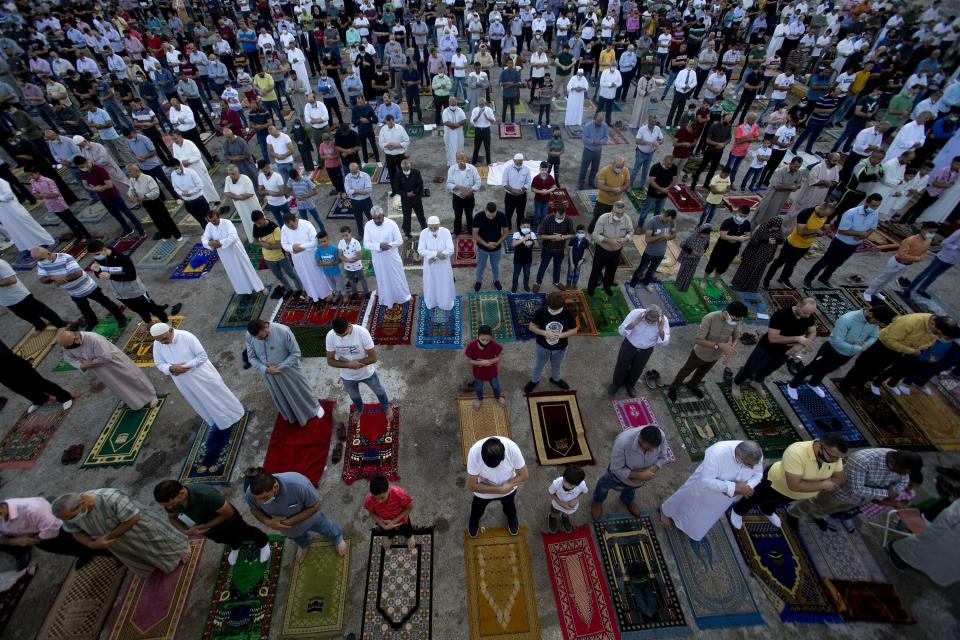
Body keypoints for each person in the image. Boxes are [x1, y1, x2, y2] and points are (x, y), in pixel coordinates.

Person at [51, 489, 189, 578]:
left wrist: (107, 538)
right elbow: (75, 532)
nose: (70, 521)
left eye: (72, 517)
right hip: (117, 544)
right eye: (67, 519)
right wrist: (91, 544)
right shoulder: (68, 514)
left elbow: (134, 518)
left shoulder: (111, 498)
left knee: (161, 544)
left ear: (82, 504)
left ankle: (180, 552)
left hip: (139, 530)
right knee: (138, 555)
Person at [790, 448, 921, 533]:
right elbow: (857, 489)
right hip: (840, 492)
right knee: (816, 502)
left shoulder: (902, 465)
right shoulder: (862, 459)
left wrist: (896, 491)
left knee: (834, 509)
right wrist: (887, 493)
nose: (903, 475)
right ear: (893, 461)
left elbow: (903, 481)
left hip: (860, 500)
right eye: (901, 471)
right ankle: (793, 513)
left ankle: (817, 515)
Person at [729, 436, 848, 530]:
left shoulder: (834, 457)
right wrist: (824, 484)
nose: (836, 461)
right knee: (753, 498)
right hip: (774, 484)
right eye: (833, 457)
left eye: (839, 459)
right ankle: (738, 511)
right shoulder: (796, 452)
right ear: (820, 446)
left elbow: (838, 478)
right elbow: (794, 485)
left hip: (795, 495)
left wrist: (815, 484)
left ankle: (767, 511)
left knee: (776, 503)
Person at [785, 306, 897, 400]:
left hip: (847, 355)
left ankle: (813, 383)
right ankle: (792, 385)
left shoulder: (873, 323)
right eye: (877, 322)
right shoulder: (847, 319)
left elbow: (875, 335)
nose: (877, 325)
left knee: (827, 369)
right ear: (870, 313)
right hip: (831, 350)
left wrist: (866, 345)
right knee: (811, 368)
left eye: (879, 324)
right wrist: (858, 348)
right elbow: (837, 341)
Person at [660, 441, 764, 540]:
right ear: (739, 456)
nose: (752, 468)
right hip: (703, 489)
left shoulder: (755, 456)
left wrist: (747, 487)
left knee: (706, 515)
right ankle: (667, 512)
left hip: (725, 498)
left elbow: (758, 475)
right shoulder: (717, 452)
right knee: (687, 500)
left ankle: (690, 529)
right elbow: (707, 480)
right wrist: (735, 488)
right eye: (749, 465)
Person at [150, 322, 245, 430]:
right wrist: (170, 368)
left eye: (164, 338)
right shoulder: (158, 343)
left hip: (201, 375)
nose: (163, 342)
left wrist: (185, 367)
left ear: (171, 330)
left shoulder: (186, 337)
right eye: (159, 340)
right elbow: (159, 363)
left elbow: (202, 356)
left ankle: (235, 414)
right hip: (183, 381)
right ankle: (218, 421)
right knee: (200, 401)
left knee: (218, 395)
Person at [154, 480, 271, 566]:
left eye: (171, 504)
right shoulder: (170, 503)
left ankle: (263, 542)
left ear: (182, 493)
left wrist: (203, 526)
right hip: (207, 529)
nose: (169, 507)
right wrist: (186, 531)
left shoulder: (207, 494)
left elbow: (228, 513)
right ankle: (236, 546)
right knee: (223, 539)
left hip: (228, 522)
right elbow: (172, 518)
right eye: (166, 506)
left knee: (246, 531)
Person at [840, 314, 959, 396]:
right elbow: (890, 340)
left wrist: (920, 346)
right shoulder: (910, 322)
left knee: (878, 369)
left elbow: (931, 341)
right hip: (882, 345)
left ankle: (860, 383)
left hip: (900, 350)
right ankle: (845, 385)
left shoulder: (936, 329)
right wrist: (911, 350)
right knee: (862, 366)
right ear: (933, 323)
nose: (937, 335)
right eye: (937, 332)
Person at [244, 468, 347, 560]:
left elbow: (315, 506)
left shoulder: (299, 485)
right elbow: (254, 510)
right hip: (286, 528)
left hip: (310, 518)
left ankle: (337, 538)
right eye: (257, 499)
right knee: (296, 537)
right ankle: (304, 544)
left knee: (325, 527)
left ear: (275, 487)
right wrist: (268, 522)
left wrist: (289, 522)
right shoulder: (251, 494)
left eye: (264, 498)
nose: (261, 502)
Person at [732, 298, 819, 399]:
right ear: (798, 306)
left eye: (809, 313)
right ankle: (736, 383)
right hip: (767, 348)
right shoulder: (781, 315)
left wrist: (800, 345)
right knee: (750, 368)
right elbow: (773, 338)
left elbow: (813, 332)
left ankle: (756, 382)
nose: (807, 316)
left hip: (785, 352)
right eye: (805, 313)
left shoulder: (808, 316)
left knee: (768, 370)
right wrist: (797, 338)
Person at [56, 326, 157, 410]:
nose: (69, 349)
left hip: (113, 363)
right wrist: (81, 365)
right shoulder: (67, 345)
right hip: (99, 369)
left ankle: (150, 396)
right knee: (116, 384)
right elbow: (70, 359)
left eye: (70, 346)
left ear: (76, 337)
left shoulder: (93, 338)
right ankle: (131, 400)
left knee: (132, 377)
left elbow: (106, 357)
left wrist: (89, 364)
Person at [246, 319, 325, 425]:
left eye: (260, 337)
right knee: (280, 394)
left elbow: (296, 353)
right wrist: (265, 369)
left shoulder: (283, 331)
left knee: (301, 390)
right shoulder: (250, 335)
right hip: (269, 374)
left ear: (265, 327)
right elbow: (251, 357)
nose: (258, 339)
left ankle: (314, 408)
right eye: (256, 338)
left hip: (289, 370)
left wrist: (280, 367)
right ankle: (291, 414)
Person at [0, 497, 111, 571]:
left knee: (83, 542)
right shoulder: (3, 517)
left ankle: (115, 555)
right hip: (37, 536)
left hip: (58, 531)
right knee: (67, 550)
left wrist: (33, 539)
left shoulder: (32, 509)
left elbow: (51, 528)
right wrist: (12, 541)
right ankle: (84, 554)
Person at [33, 246, 127, 331]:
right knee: (85, 310)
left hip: (88, 287)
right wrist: (53, 278)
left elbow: (78, 273)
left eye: (41, 259)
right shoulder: (41, 263)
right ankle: (92, 322)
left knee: (106, 303)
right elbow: (42, 279)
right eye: (38, 260)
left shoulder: (65, 257)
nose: (40, 262)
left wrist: (61, 280)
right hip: (74, 292)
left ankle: (120, 317)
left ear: (49, 254)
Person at [667, 302, 747, 401]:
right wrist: (720, 345)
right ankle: (674, 387)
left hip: (715, 356)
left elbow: (737, 336)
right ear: (727, 313)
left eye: (738, 320)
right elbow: (699, 340)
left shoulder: (736, 321)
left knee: (702, 373)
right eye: (734, 320)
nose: (735, 322)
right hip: (700, 353)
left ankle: (692, 385)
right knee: (685, 371)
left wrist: (731, 349)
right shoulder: (710, 318)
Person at [591, 425, 670, 519]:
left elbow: (663, 457)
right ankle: (597, 500)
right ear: (640, 439)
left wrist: (652, 469)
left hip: (638, 481)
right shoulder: (622, 443)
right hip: (617, 477)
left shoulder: (661, 437)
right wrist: (640, 475)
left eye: (654, 449)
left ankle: (627, 500)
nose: (652, 451)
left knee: (631, 489)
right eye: (648, 449)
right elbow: (615, 469)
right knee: (604, 485)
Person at [803, 195, 881, 288]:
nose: (874, 208)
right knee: (824, 261)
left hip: (853, 245)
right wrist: (859, 234)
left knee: (837, 263)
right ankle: (808, 278)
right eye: (873, 205)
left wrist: (865, 235)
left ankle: (824, 278)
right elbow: (842, 230)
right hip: (840, 243)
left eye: (877, 206)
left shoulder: (875, 213)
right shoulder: (851, 213)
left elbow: (873, 228)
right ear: (866, 203)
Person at [325, 317, 392, 415]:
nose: (342, 337)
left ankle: (386, 407)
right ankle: (360, 409)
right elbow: (330, 361)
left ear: (349, 325)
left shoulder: (362, 332)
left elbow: (373, 358)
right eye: (339, 335)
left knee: (379, 390)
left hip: (367, 373)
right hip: (347, 376)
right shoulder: (330, 336)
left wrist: (355, 364)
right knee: (354, 396)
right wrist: (349, 364)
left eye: (344, 334)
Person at [888, 497, 960, 586]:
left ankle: (901, 559)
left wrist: (928, 534)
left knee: (913, 552)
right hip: (945, 569)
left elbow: (948, 517)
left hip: (935, 541)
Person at [466, 436, 528, 537]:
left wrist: (507, 486)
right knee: (477, 510)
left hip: (508, 490)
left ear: (503, 456)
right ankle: (474, 520)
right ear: (481, 455)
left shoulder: (512, 448)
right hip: (483, 493)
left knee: (510, 508)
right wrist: (500, 490)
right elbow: (471, 486)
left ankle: (511, 518)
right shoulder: (474, 453)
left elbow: (524, 475)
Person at [864, 222, 939, 302]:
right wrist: (917, 258)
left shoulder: (928, 240)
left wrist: (920, 257)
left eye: (934, 232)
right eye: (930, 232)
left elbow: (925, 251)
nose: (932, 234)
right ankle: (868, 292)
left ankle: (877, 291)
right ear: (923, 230)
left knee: (890, 279)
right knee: (882, 278)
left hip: (907, 264)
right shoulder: (910, 240)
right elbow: (901, 255)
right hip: (897, 263)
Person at [763, 204, 832, 289]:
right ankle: (767, 279)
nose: (825, 217)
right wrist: (816, 230)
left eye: (827, 215)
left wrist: (818, 232)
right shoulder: (806, 213)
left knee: (792, 264)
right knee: (779, 262)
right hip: (792, 243)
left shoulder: (826, 215)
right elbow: (801, 232)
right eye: (824, 214)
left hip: (805, 246)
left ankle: (784, 279)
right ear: (821, 208)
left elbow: (826, 229)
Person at [608, 305, 671, 397]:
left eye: (654, 321)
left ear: (658, 318)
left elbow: (665, 343)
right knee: (621, 365)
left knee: (637, 369)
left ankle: (630, 385)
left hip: (646, 350)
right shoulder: (636, 313)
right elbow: (621, 332)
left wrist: (661, 330)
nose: (650, 322)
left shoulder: (663, 321)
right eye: (648, 319)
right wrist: (634, 323)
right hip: (629, 345)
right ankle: (616, 384)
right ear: (645, 314)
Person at [202, 209, 267, 296]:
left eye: (215, 220)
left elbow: (233, 236)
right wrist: (209, 243)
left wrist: (220, 243)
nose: (214, 222)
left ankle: (260, 287)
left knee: (246, 268)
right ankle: (243, 290)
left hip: (235, 251)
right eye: (211, 221)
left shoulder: (227, 223)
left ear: (218, 217)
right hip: (225, 254)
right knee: (233, 271)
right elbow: (204, 238)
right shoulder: (209, 226)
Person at [0, 340, 77, 413]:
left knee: (37, 381)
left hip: (9, 362)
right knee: (18, 388)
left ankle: (65, 397)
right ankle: (39, 399)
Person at [524, 292, 577, 393]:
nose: (552, 311)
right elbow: (531, 327)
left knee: (557, 365)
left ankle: (555, 379)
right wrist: (544, 333)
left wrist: (560, 335)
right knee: (538, 365)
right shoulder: (542, 311)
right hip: (542, 347)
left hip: (560, 349)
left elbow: (574, 330)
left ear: (562, 305)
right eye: (550, 308)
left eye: (555, 310)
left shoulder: (567, 313)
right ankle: (534, 380)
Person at [364, 207, 412, 309]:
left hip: (391, 256)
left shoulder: (391, 224)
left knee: (397, 276)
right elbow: (366, 244)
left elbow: (399, 241)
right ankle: (387, 300)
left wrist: (388, 245)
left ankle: (404, 297)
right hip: (378, 258)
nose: (377, 220)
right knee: (383, 279)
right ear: (372, 218)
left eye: (379, 218)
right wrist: (379, 246)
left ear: (383, 215)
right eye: (375, 218)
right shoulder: (368, 225)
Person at [25, 167, 91, 240]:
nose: (31, 177)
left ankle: (87, 235)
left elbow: (56, 194)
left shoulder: (48, 181)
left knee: (73, 220)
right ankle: (79, 236)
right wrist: (40, 195)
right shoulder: (33, 181)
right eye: (29, 175)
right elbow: (35, 193)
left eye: (31, 174)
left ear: (37, 172)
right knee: (67, 222)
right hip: (50, 205)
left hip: (59, 203)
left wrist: (45, 195)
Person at [0, 258, 66, 331]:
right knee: (26, 316)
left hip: (18, 296)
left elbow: (12, 280)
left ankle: (61, 325)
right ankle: (40, 326)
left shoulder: (1, 264)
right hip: (5, 300)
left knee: (42, 311)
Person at [281, 213, 332, 303]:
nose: (291, 228)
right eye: (289, 227)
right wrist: (292, 248)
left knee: (318, 275)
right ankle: (312, 294)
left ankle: (327, 292)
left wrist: (300, 247)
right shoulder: (284, 228)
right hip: (297, 258)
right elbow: (284, 244)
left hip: (310, 256)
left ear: (296, 219)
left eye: (292, 225)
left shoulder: (306, 224)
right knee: (304, 277)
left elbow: (314, 242)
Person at [252, 211, 303, 299]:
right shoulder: (256, 226)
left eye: (259, 223)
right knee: (279, 276)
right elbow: (255, 240)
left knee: (292, 274)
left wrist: (268, 246)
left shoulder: (274, 228)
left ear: (263, 218)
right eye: (256, 224)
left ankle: (300, 290)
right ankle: (289, 289)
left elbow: (280, 245)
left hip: (281, 257)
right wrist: (265, 244)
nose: (258, 226)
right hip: (268, 258)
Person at [127, 165, 182, 240]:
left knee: (165, 218)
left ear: (136, 171)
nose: (129, 173)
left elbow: (156, 192)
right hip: (146, 203)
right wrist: (133, 195)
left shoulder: (147, 178)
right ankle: (166, 235)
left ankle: (177, 235)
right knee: (156, 220)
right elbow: (130, 190)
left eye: (130, 171)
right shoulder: (132, 180)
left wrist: (144, 196)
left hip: (155, 201)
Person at [628, 209, 677, 292]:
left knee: (652, 271)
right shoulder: (653, 221)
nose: (668, 222)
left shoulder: (671, 222)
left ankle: (646, 283)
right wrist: (661, 236)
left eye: (670, 221)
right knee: (641, 270)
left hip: (661, 252)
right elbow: (647, 239)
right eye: (668, 220)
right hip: (650, 252)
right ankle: (632, 285)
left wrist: (669, 237)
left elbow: (674, 234)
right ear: (666, 215)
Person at [730, 216, 784, 292]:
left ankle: (749, 287)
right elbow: (754, 240)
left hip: (765, 256)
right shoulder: (763, 227)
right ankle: (737, 286)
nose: (776, 229)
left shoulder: (778, 230)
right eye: (775, 227)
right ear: (771, 224)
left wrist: (777, 240)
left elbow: (782, 239)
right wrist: (766, 241)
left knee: (757, 272)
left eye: (778, 227)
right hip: (754, 254)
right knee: (746, 270)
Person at [364, 476, 416, 552]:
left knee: (406, 528)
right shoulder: (369, 499)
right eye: (376, 498)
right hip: (384, 521)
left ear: (388, 489)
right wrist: (384, 526)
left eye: (382, 498)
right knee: (388, 532)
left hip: (401, 518)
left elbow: (409, 507)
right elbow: (371, 513)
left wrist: (393, 522)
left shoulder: (399, 493)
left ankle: (410, 536)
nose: (379, 501)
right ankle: (390, 537)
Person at [903, 228, 959, 300]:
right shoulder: (959, 232)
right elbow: (944, 243)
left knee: (934, 276)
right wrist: (956, 247)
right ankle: (909, 289)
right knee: (926, 273)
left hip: (953, 261)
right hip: (942, 257)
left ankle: (921, 289)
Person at [702, 206, 751, 287]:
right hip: (721, 248)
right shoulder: (728, 222)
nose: (742, 218)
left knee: (723, 266)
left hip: (733, 250)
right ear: (737, 212)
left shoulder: (746, 223)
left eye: (745, 217)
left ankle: (715, 280)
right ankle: (704, 280)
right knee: (712, 263)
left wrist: (733, 239)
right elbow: (723, 236)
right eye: (741, 216)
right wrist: (738, 238)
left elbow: (748, 236)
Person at [752, 157, 804, 228]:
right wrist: (791, 187)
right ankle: (749, 232)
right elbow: (777, 187)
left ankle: (762, 234)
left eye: (798, 167)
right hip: (771, 197)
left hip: (782, 199)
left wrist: (788, 187)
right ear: (790, 163)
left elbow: (798, 185)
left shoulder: (798, 173)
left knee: (772, 217)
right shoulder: (780, 171)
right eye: (795, 166)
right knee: (760, 214)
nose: (796, 169)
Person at [535, 203, 575, 293]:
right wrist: (553, 237)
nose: (560, 219)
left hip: (560, 249)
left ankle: (556, 282)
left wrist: (563, 237)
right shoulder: (547, 219)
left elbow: (572, 234)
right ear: (554, 213)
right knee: (543, 266)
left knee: (557, 266)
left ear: (565, 213)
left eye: (562, 218)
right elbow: (541, 235)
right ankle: (538, 283)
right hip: (547, 249)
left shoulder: (568, 220)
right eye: (558, 217)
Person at [418, 216, 455, 312]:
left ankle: (445, 303)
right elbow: (421, 250)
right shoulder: (424, 233)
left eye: (436, 227)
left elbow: (450, 249)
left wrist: (433, 256)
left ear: (439, 225)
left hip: (443, 265)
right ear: (427, 226)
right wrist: (436, 254)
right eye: (431, 228)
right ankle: (432, 302)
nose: (433, 230)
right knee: (431, 284)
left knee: (444, 284)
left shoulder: (446, 232)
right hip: (431, 266)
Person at [465, 325, 505, 409]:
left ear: (491, 338)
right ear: (477, 336)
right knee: (478, 388)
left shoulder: (493, 344)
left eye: (488, 340)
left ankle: (498, 397)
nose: (485, 342)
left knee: (496, 386)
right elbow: (468, 360)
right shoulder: (471, 345)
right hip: (478, 373)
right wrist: (481, 363)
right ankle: (479, 399)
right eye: (482, 339)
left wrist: (491, 361)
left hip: (491, 372)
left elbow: (500, 355)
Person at [472, 202, 509, 291]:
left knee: (495, 266)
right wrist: (486, 244)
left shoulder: (502, 216)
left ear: (496, 211)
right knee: (480, 266)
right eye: (489, 216)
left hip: (496, 248)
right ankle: (478, 281)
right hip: (482, 248)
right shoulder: (478, 217)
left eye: (493, 215)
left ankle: (496, 281)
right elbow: (475, 235)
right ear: (485, 211)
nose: (491, 217)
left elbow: (506, 232)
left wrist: (498, 243)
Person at [588, 157, 630, 233]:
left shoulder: (625, 170)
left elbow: (627, 183)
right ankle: (590, 233)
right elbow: (600, 185)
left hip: (617, 203)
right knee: (597, 219)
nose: (619, 169)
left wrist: (619, 190)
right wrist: (613, 189)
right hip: (603, 202)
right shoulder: (604, 171)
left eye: (621, 167)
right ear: (612, 164)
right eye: (617, 167)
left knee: (612, 221)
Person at [547, 465, 589, 534]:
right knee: (554, 511)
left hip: (570, 506)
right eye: (565, 481)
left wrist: (576, 499)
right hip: (557, 504)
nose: (566, 485)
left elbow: (584, 492)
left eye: (570, 485)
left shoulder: (582, 485)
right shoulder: (556, 483)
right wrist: (560, 503)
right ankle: (552, 517)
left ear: (577, 484)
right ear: (563, 476)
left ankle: (564, 516)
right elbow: (550, 493)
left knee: (566, 512)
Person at [223, 165, 260, 242]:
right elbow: (226, 192)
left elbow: (249, 194)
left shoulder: (245, 179)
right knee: (246, 221)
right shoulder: (228, 179)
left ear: (238, 172)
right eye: (230, 174)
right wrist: (239, 197)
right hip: (240, 206)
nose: (232, 176)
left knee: (256, 219)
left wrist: (235, 197)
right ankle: (252, 238)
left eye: (234, 173)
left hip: (250, 205)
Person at [636, 156, 678, 224]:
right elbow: (651, 181)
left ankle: (654, 225)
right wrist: (661, 189)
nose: (669, 166)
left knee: (658, 211)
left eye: (671, 164)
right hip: (652, 194)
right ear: (663, 161)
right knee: (645, 210)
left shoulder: (673, 167)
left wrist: (667, 188)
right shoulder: (655, 167)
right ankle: (640, 224)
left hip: (664, 194)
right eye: (667, 163)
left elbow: (674, 179)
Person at [577, 112, 608, 190]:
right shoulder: (588, 126)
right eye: (598, 121)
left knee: (595, 168)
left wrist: (600, 142)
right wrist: (593, 141)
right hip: (588, 150)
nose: (599, 123)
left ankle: (591, 181)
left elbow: (606, 137)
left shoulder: (604, 126)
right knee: (584, 167)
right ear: (594, 119)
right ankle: (581, 182)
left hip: (598, 151)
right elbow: (584, 139)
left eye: (601, 121)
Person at [338, 226, 370, 299]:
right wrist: (346, 260)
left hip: (357, 265)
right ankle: (354, 293)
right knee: (351, 280)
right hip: (348, 266)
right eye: (343, 235)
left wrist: (352, 260)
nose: (345, 237)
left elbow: (359, 255)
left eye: (346, 235)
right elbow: (340, 255)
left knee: (362, 279)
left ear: (350, 233)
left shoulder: (356, 242)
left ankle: (367, 292)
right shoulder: (341, 243)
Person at [503, 153, 532, 231]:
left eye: (520, 162)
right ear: (513, 160)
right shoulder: (507, 169)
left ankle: (520, 229)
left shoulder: (526, 169)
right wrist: (513, 191)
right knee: (508, 214)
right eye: (517, 162)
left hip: (521, 196)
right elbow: (504, 183)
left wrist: (522, 190)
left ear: (523, 161)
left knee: (521, 214)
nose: (519, 164)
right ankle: (508, 229)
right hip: (510, 196)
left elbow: (528, 182)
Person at [511, 218, 538, 293]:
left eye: (528, 227)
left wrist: (532, 242)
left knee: (527, 274)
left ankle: (526, 286)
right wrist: (523, 239)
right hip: (518, 259)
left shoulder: (532, 234)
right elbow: (513, 244)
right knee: (516, 274)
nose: (526, 229)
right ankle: (514, 286)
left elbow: (537, 245)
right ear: (520, 226)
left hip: (528, 260)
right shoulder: (517, 234)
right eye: (524, 227)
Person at [441, 97, 467, 167]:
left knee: (459, 148)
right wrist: (454, 125)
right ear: (449, 103)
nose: (453, 106)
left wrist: (457, 125)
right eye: (452, 104)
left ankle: (460, 162)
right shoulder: (445, 111)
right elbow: (446, 122)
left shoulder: (460, 110)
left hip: (459, 134)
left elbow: (464, 120)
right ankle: (451, 164)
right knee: (449, 149)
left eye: (455, 104)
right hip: (449, 134)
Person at [470, 97, 495, 166]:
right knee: (476, 147)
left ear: (485, 104)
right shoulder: (475, 110)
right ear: (478, 104)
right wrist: (478, 116)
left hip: (486, 129)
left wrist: (487, 118)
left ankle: (489, 162)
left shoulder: (489, 110)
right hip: (478, 130)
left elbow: (493, 120)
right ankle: (473, 162)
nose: (481, 106)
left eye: (483, 104)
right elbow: (472, 121)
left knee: (487, 147)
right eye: (480, 104)